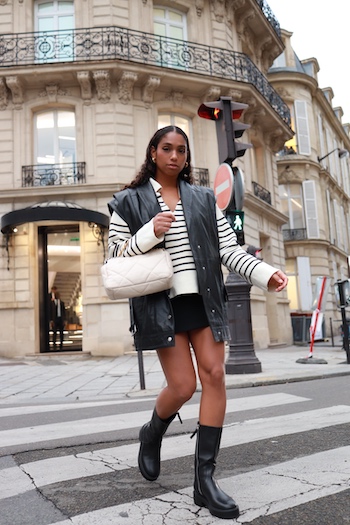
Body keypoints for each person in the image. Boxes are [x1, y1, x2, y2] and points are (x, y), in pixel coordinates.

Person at [107, 126, 288, 520]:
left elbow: (228, 250)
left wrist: (264, 273)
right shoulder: (127, 201)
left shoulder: (204, 199)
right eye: (167, 149)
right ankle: (151, 432)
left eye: (181, 151)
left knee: (215, 376)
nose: (174, 156)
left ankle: (204, 481)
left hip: (205, 302)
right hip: (161, 305)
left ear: (187, 157)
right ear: (153, 152)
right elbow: (113, 258)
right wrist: (146, 234)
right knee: (183, 386)